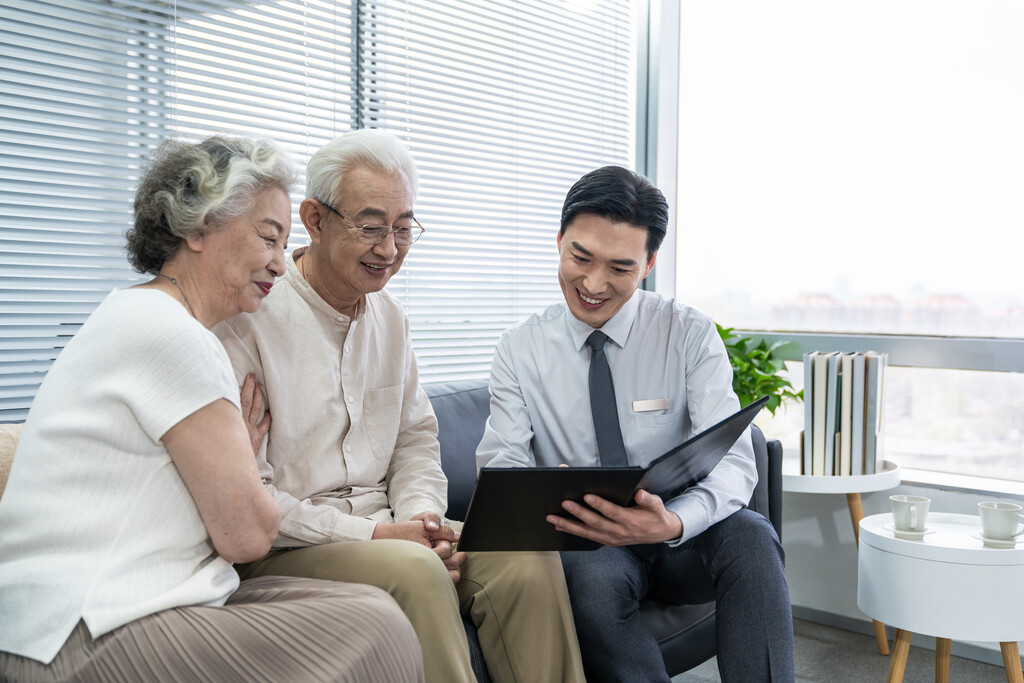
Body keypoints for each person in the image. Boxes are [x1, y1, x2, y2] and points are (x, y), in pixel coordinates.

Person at [0, 136, 424, 683]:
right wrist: (242, 460)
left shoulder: (137, 313)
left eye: (285, 241)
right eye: (268, 237)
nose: (280, 261)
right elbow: (246, 535)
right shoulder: (172, 334)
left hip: (130, 600)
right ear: (197, 228)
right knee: (377, 628)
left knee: (372, 612)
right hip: (83, 626)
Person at [213, 128, 585, 683]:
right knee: (416, 569)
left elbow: (415, 442)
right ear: (314, 220)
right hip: (291, 545)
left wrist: (421, 520)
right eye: (370, 227)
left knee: (524, 555)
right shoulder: (249, 318)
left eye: (403, 227)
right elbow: (255, 501)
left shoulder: (391, 320)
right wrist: (383, 539)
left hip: (391, 531)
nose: (389, 249)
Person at [476, 165, 795, 682]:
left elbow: (736, 458)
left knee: (752, 539)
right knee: (591, 577)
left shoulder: (688, 333)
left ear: (647, 265)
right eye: (580, 257)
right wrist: (539, 490)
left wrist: (673, 521)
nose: (594, 283)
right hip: (594, 543)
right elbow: (504, 464)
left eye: (619, 267)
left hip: (680, 533)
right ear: (559, 240)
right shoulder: (519, 348)